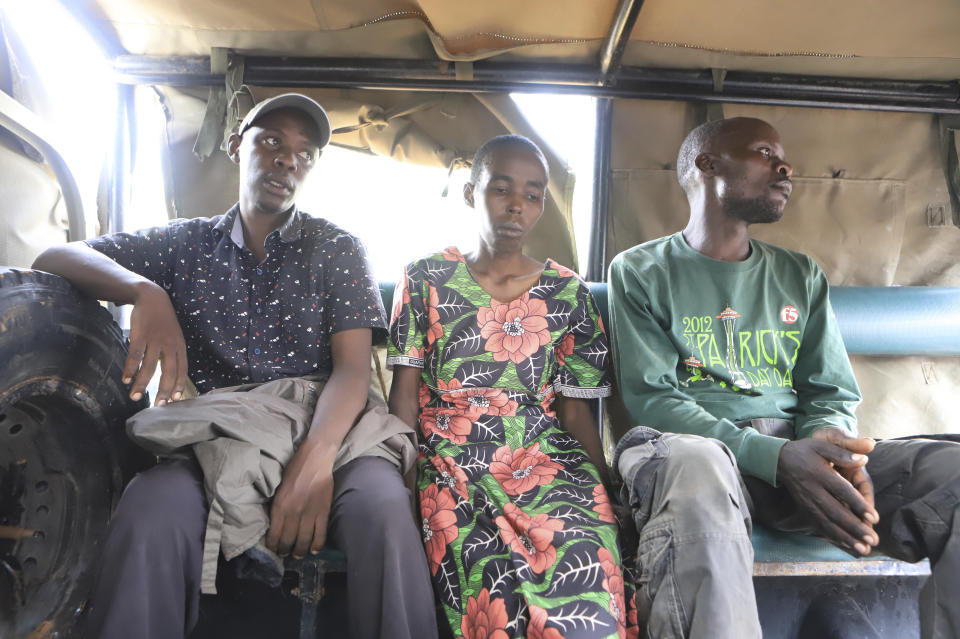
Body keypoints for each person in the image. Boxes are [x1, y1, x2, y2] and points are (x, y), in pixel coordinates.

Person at [32, 93, 437, 639]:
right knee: (150, 508)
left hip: (329, 428)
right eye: (271, 141)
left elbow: (351, 372)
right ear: (235, 147)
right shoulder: (184, 245)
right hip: (217, 433)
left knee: (385, 511)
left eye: (304, 152)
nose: (286, 160)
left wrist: (313, 465)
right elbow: (52, 258)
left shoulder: (336, 247)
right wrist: (143, 290)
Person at [607, 116, 960, 639]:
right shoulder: (640, 271)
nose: (785, 166)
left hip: (796, 451)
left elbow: (829, 391)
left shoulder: (799, 274)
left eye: (782, 155)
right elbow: (653, 399)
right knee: (696, 466)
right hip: (700, 452)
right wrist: (773, 459)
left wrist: (829, 451)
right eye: (765, 152)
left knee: (952, 472)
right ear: (708, 165)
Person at [387, 134, 638, 639]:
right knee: (492, 579)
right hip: (451, 456)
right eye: (502, 189)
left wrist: (606, 486)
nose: (518, 205)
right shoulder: (425, 278)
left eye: (534, 193)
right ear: (470, 193)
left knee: (587, 552)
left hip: (544, 454)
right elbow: (405, 393)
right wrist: (403, 468)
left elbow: (573, 413)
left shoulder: (567, 292)